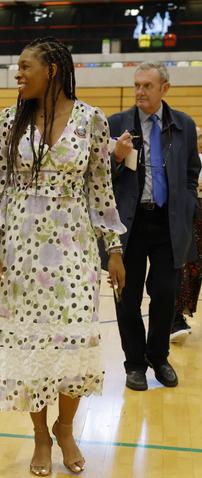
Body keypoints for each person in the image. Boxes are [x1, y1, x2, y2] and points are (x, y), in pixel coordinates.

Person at [0, 37, 126, 477]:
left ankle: (65, 427)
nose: (18, 74)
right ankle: (41, 436)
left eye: (25, 67)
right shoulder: (10, 121)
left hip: (74, 250)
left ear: (53, 70)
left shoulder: (92, 120)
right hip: (19, 250)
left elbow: (100, 188)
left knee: (73, 342)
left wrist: (113, 248)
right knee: (29, 345)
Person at [108, 62, 201, 391]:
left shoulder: (184, 126)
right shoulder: (117, 124)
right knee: (127, 296)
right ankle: (134, 363)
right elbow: (100, 177)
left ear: (165, 89)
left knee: (164, 292)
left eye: (147, 86)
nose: (139, 92)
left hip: (168, 222)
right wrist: (116, 157)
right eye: (136, 85)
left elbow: (192, 171)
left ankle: (158, 358)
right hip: (129, 224)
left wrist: (188, 202)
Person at [170, 125, 202, 344]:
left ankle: (178, 316)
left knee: (194, 270)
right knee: (185, 268)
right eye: (197, 136)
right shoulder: (179, 158)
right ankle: (174, 318)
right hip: (188, 218)